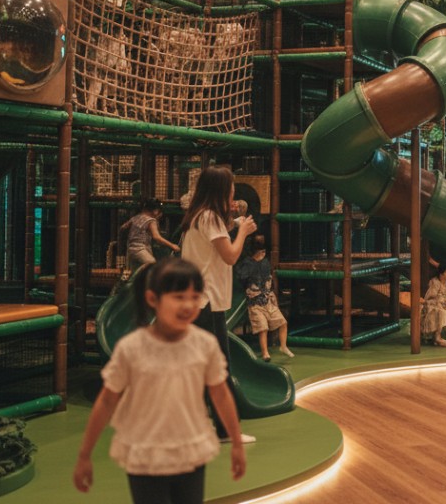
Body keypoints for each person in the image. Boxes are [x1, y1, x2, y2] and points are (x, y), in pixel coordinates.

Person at [73, 258, 245, 503]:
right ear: (153, 299)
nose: (188, 305)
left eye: (195, 297)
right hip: (146, 455)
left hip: (190, 450)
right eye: (178, 297)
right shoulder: (132, 348)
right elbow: (107, 400)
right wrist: (84, 455)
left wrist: (236, 442)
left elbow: (220, 393)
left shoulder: (205, 345)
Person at [180, 165, 257, 443]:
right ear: (221, 191)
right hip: (206, 301)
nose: (234, 194)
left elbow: (219, 234)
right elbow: (230, 256)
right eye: (231, 189)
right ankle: (225, 431)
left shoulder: (200, 216)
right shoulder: (210, 217)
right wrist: (244, 231)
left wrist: (235, 222)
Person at [236, 235, 293, 362]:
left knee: (283, 323)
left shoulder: (265, 262)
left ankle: (283, 346)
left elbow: (269, 279)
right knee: (263, 328)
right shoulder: (247, 263)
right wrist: (255, 262)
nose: (263, 254)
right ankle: (265, 353)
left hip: (267, 300)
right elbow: (242, 277)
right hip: (255, 302)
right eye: (261, 252)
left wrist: (272, 296)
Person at [121, 198, 179, 270]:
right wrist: (172, 245)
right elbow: (156, 237)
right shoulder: (151, 220)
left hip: (130, 249)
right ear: (155, 210)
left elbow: (123, 227)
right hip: (141, 249)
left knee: (136, 271)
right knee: (152, 265)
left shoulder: (135, 217)